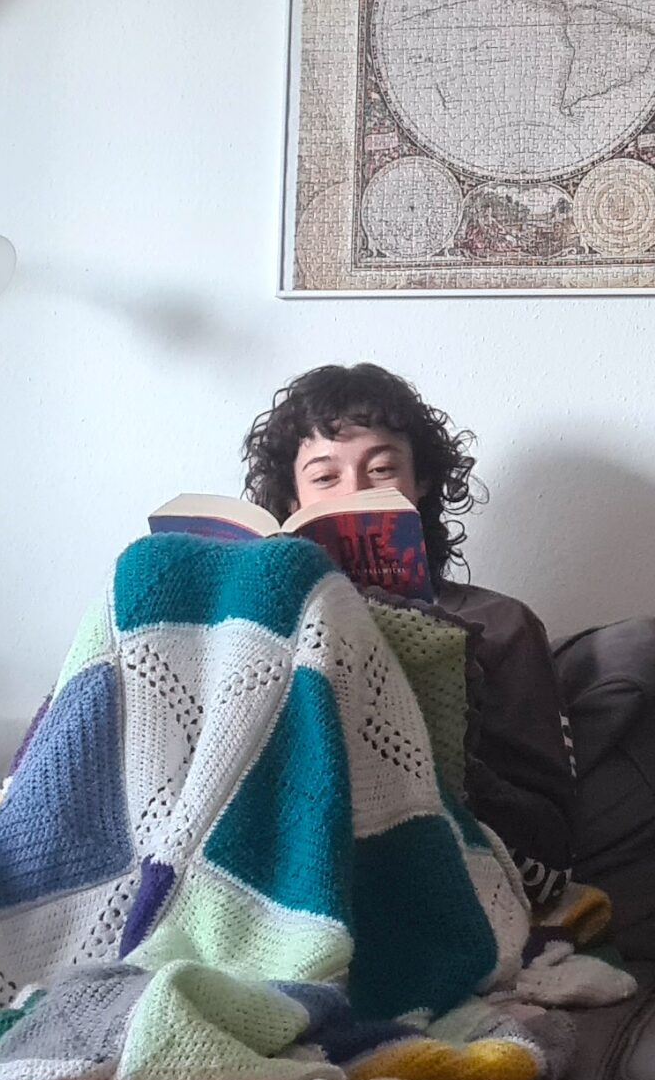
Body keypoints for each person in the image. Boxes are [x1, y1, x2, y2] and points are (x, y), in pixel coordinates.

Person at [242, 362, 578, 908]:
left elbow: (552, 859)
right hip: (284, 891)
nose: (353, 492)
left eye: (381, 470)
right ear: (291, 505)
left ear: (420, 483)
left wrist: (436, 747)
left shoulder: (500, 625)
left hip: (441, 894)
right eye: (325, 478)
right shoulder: (263, 629)